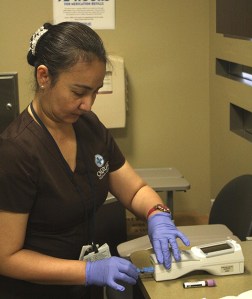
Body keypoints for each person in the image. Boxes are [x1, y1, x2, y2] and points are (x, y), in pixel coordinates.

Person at [0, 22, 190, 298]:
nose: (88, 104)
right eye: (78, 92)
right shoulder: (16, 151)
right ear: (44, 77)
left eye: (95, 91)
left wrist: (157, 215)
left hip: (83, 287)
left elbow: (134, 190)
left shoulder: (88, 126)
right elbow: (6, 257)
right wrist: (88, 272)